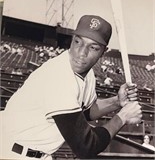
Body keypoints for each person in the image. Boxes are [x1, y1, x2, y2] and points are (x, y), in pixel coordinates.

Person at [0, 15, 142, 160]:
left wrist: (117, 102)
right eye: (78, 42)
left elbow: (86, 111)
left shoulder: (87, 74)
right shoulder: (59, 76)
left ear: (103, 52)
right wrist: (123, 117)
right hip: (9, 151)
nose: (81, 53)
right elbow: (86, 147)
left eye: (93, 47)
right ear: (72, 40)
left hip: (33, 153)